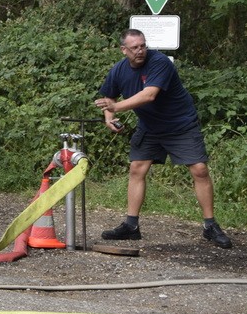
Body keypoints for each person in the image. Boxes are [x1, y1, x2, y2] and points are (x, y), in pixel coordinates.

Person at [94, 28, 232, 249]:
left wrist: (116, 107)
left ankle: (210, 226)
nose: (140, 51)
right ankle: (131, 226)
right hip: (150, 127)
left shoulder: (159, 62)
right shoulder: (118, 70)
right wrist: (109, 117)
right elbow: (108, 97)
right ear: (124, 50)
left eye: (143, 45)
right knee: (137, 168)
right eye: (135, 47)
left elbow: (149, 95)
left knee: (199, 169)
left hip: (180, 124)